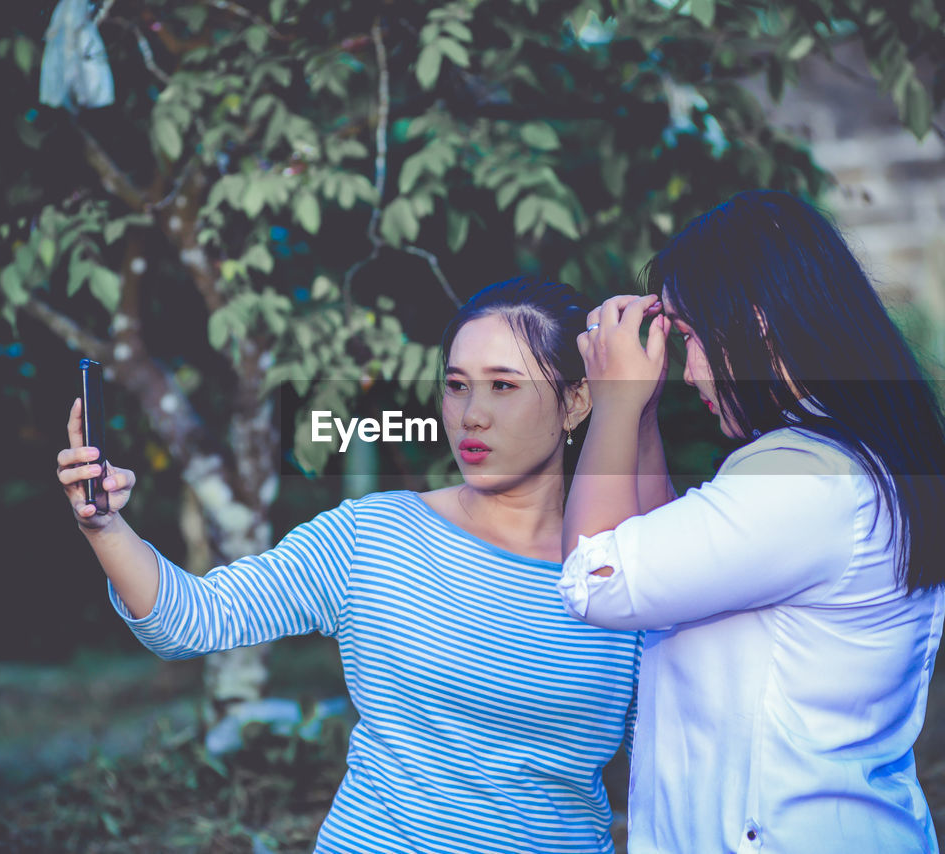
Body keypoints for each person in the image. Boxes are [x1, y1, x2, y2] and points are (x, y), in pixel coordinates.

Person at [56, 277, 641, 854]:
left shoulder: (626, 569)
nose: (472, 415)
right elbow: (191, 620)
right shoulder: (373, 535)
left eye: (504, 386)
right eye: (458, 385)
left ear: (578, 401)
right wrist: (104, 525)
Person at [559, 190, 945, 853]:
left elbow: (595, 577)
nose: (690, 369)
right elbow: (670, 561)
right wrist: (637, 410)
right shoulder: (834, 461)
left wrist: (610, 405)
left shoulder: (803, 481)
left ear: (754, 322)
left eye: (692, 338)